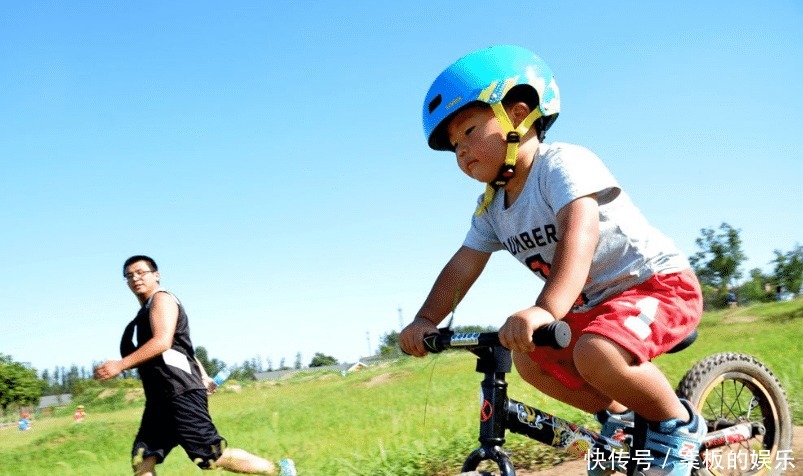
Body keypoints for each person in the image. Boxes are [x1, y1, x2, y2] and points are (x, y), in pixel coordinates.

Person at [399, 45, 706, 476]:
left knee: (595, 351)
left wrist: (545, 309)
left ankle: (676, 426)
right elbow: (463, 265)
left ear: (520, 114)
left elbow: (580, 230)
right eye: (453, 147)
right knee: (529, 359)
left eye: (468, 131)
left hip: (655, 285)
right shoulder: (491, 207)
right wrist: (425, 320)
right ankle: (621, 419)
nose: (462, 153)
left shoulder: (561, 164)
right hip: (592, 307)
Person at [94, 255, 295, 476]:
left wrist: (121, 365)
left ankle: (280, 470)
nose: (135, 278)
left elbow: (163, 342)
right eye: (129, 275)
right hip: (160, 397)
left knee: (210, 456)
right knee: (143, 456)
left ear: (156, 275)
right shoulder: (145, 312)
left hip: (179, 392)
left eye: (141, 272)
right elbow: (183, 349)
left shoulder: (162, 299)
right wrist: (204, 376)